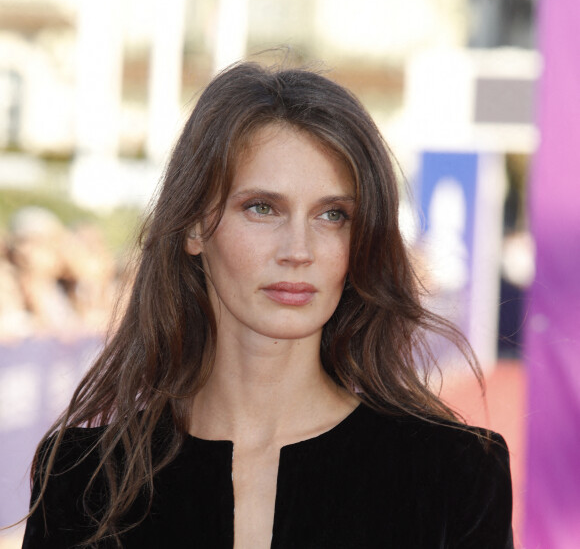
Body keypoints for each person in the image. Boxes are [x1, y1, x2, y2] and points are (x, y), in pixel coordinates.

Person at [22, 62, 513, 548]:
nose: (298, 250)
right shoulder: (81, 479)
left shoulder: (453, 476)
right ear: (194, 225)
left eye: (332, 215)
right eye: (262, 207)